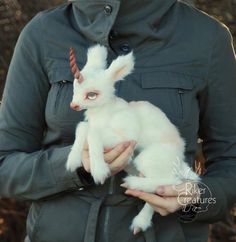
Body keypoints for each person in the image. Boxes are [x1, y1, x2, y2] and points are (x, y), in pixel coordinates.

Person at [0, 0, 236, 241]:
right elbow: (5, 163)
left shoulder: (207, 37)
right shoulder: (43, 33)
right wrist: (73, 166)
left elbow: (230, 160)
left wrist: (196, 198)